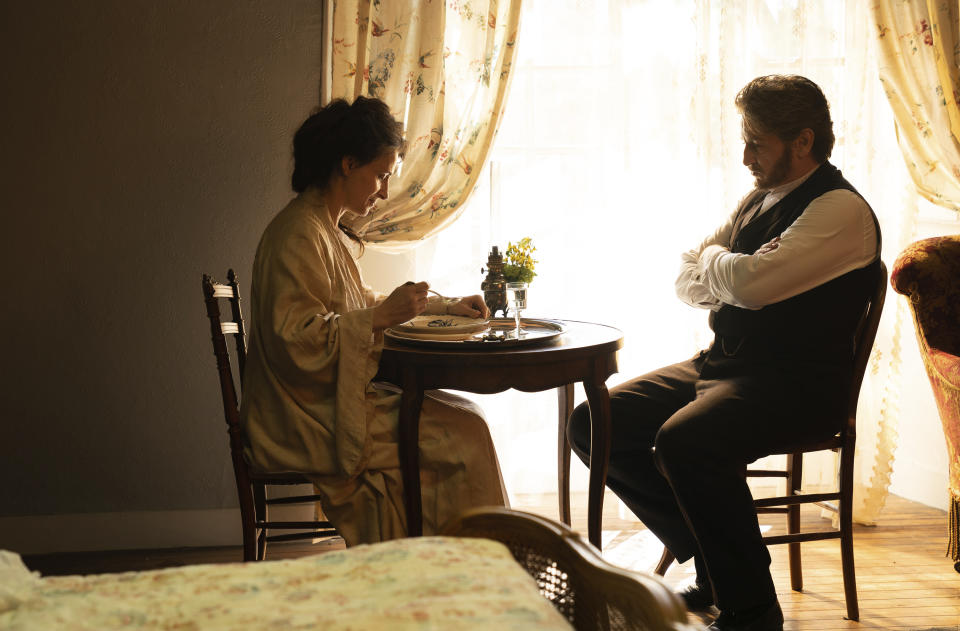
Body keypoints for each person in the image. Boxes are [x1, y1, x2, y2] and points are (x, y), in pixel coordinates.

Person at [567, 75, 880, 631]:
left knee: (687, 442)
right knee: (594, 424)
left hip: (796, 383)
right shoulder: (758, 200)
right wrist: (728, 267)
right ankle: (715, 563)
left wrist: (725, 266)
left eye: (756, 142)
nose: (744, 156)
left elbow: (751, 285)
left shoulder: (840, 212)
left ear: (802, 142)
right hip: (727, 364)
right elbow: (689, 280)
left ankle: (752, 608)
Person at [239, 96, 508, 546]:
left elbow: (355, 303)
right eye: (381, 175)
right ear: (347, 164)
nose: (383, 190)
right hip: (302, 418)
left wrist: (443, 306)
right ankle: (476, 576)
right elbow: (296, 341)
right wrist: (380, 316)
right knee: (465, 433)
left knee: (467, 418)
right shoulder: (298, 234)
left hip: (320, 404)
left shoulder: (321, 228)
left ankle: (452, 570)